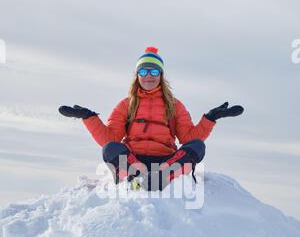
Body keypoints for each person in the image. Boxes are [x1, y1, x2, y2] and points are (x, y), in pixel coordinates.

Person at [59, 46, 244, 191]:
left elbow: (188, 138)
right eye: (144, 71)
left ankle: (160, 177)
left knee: (197, 147)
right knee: (110, 149)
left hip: (165, 161)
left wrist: (211, 118)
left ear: (161, 75)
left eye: (154, 72)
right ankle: (138, 179)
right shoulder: (126, 104)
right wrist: (89, 118)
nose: (149, 76)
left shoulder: (174, 105)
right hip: (134, 160)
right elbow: (111, 139)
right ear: (137, 75)